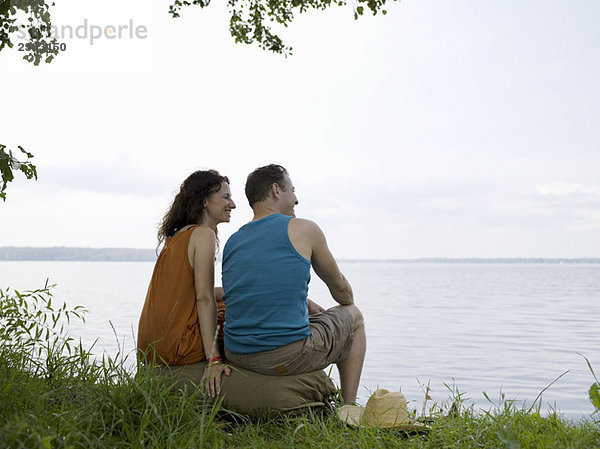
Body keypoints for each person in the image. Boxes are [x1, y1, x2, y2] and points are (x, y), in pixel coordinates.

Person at [222, 164, 366, 405]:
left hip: (236, 353)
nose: (296, 199)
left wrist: (304, 303)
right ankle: (349, 406)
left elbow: (255, 288)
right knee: (354, 317)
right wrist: (347, 301)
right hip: (283, 355)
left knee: (314, 317)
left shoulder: (233, 241)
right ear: (276, 190)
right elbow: (341, 290)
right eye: (293, 190)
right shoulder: (304, 229)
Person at [137, 169, 236, 397]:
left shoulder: (178, 236)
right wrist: (213, 360)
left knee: (233, 300)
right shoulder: (203, 235)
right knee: (244, 312)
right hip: (179, 347)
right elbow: (203, 298)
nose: (232, 204)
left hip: (150, 347)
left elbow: (196, 292)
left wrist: (236, 292)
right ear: (204, 201)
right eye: (226, 197)